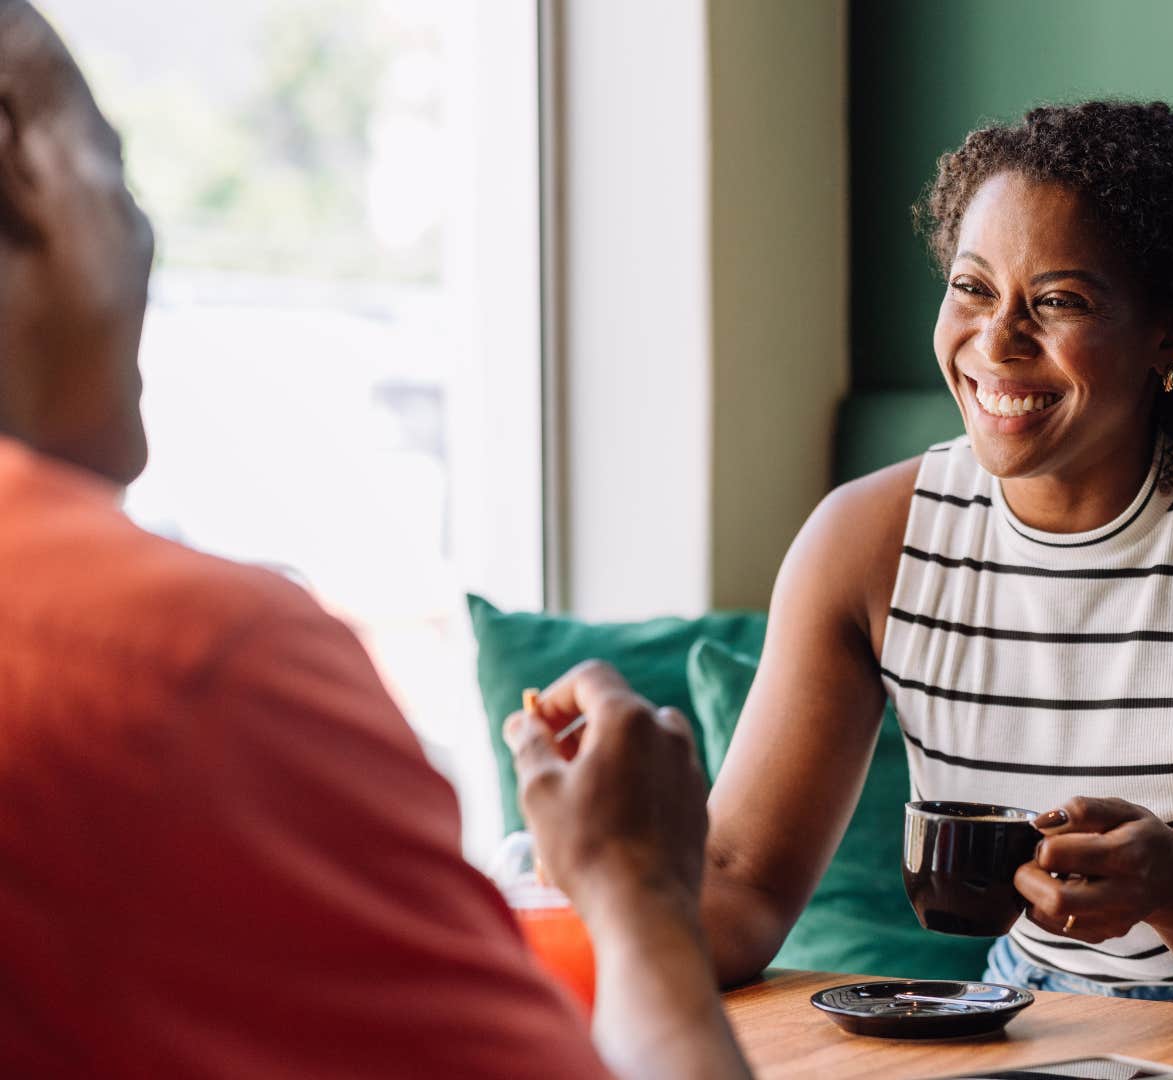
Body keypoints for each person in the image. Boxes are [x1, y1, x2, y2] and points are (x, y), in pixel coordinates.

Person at [0, 4, 748, 1076]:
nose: (144, 237)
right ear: (20, 159)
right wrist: (639, 897)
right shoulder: (187, 663)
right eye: (117, 175)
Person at [700, 100, 1173, 1024]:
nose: (996, 341)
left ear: (1170, 335)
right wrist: (592, 874)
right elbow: (738, 885)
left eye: (1059, 301)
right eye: (972, 288)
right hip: (1038, 1008)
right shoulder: (867, 545)